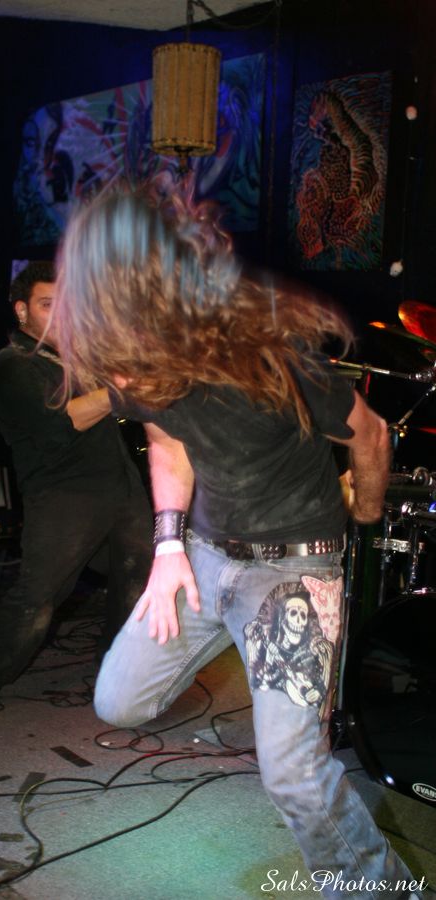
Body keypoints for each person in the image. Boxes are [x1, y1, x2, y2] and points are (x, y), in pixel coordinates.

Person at [51, 187, 424, 899]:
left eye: (127, 364)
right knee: (119, 702)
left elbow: (372, 434)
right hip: (204, 554)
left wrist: (368, 513)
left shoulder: (271, 362)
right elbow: (167, 443)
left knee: (293, 773)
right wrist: (168, 547)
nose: (121, 381)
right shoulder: (131, 357)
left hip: (292, 572)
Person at [0, 260, 152, 718]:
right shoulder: (12, 364)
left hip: (120, 491)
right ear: (22, 310)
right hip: (64, 499)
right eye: (47, 305)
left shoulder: (79, 359)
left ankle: (114, 680)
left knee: (137, 582)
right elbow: (64, 422)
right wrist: (118, 388)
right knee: (39, 600)